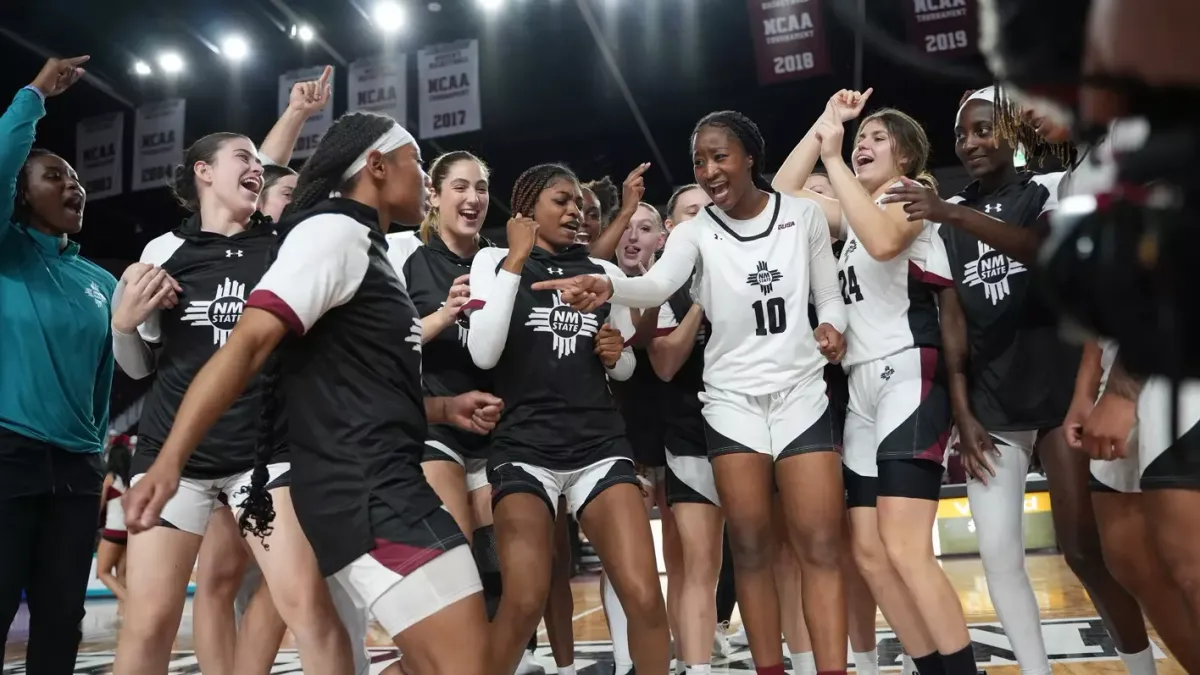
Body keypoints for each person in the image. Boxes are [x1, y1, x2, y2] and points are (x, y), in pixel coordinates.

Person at [123, 111, 496, 675]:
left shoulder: (362, 245)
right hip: (364, 491)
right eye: (417, 162)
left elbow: (355, 383)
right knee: (459, 661)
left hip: (374, 480)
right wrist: (171, 458)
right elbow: (245, 347)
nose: (425, 177)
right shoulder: (331, 233)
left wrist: (442, 407)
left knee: (453, 659)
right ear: (375, 165)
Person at [538, 110, 850, 675]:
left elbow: (828, 296)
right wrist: (609, 282)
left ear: (750, 156)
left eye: (719, 156)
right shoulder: (694, 231)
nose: (708, 170)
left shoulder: (802, 215)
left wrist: (832, 326)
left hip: (801, 393)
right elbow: (656, 284)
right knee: (750, 550)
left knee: (820, 548)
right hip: (731, 403)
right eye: (699, 161)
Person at [773, 88, 973, 675]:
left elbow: (887, 241)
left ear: (905, 157)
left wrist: (835, 161)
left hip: (910, 370)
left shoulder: (913, 195)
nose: (863, 144)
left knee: (906, 547)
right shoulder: (853, 211)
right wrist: (826, 124)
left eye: (876, 138)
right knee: (868, 552)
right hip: (861, 385)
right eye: (861, 139)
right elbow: (782, 194)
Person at [464, 163, 669, 675]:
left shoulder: (603, 272)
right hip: (525, 448)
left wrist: (613, 352)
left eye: (578, 202)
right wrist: (515, 255)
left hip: (598, 443)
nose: (576, 211)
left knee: (644, 596)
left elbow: (622, 368)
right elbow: (485, 354)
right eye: (562, 200)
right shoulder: (494, 260)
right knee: (524, 600)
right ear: (528, 207)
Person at [0, 55, 122, 673]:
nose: (75, 186)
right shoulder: (4, 253)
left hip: (77, 469)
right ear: (19, 193)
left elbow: (109, 373)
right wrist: (35, 95)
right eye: (55, 176)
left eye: (77, 179)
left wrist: (96, 448)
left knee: (61, 619)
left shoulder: (101, 280)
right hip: (8, 456)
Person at [98, 435, 134, 609]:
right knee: (122, 574)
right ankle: (123, 614)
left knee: (102, 572)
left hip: (113, 531)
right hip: (130, 532)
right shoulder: (131, 481)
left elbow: (100, 505)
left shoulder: (110, 478)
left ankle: (131, 604)